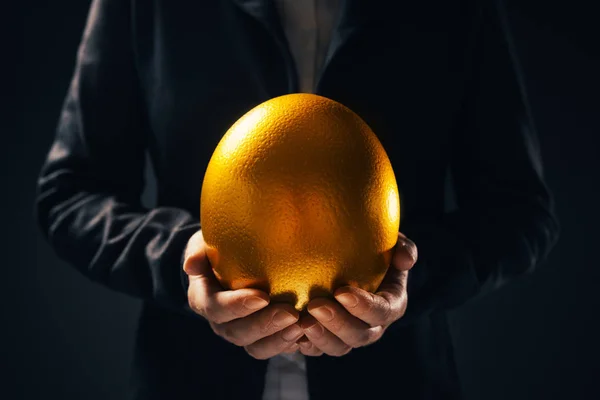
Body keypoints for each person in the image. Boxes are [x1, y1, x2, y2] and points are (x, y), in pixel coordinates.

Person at [35, 0, 559, 399]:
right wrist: (187, 260)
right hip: (189, 378)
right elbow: (71, 193)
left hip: (397, 381)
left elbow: (521, 211)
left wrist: (402, 280)